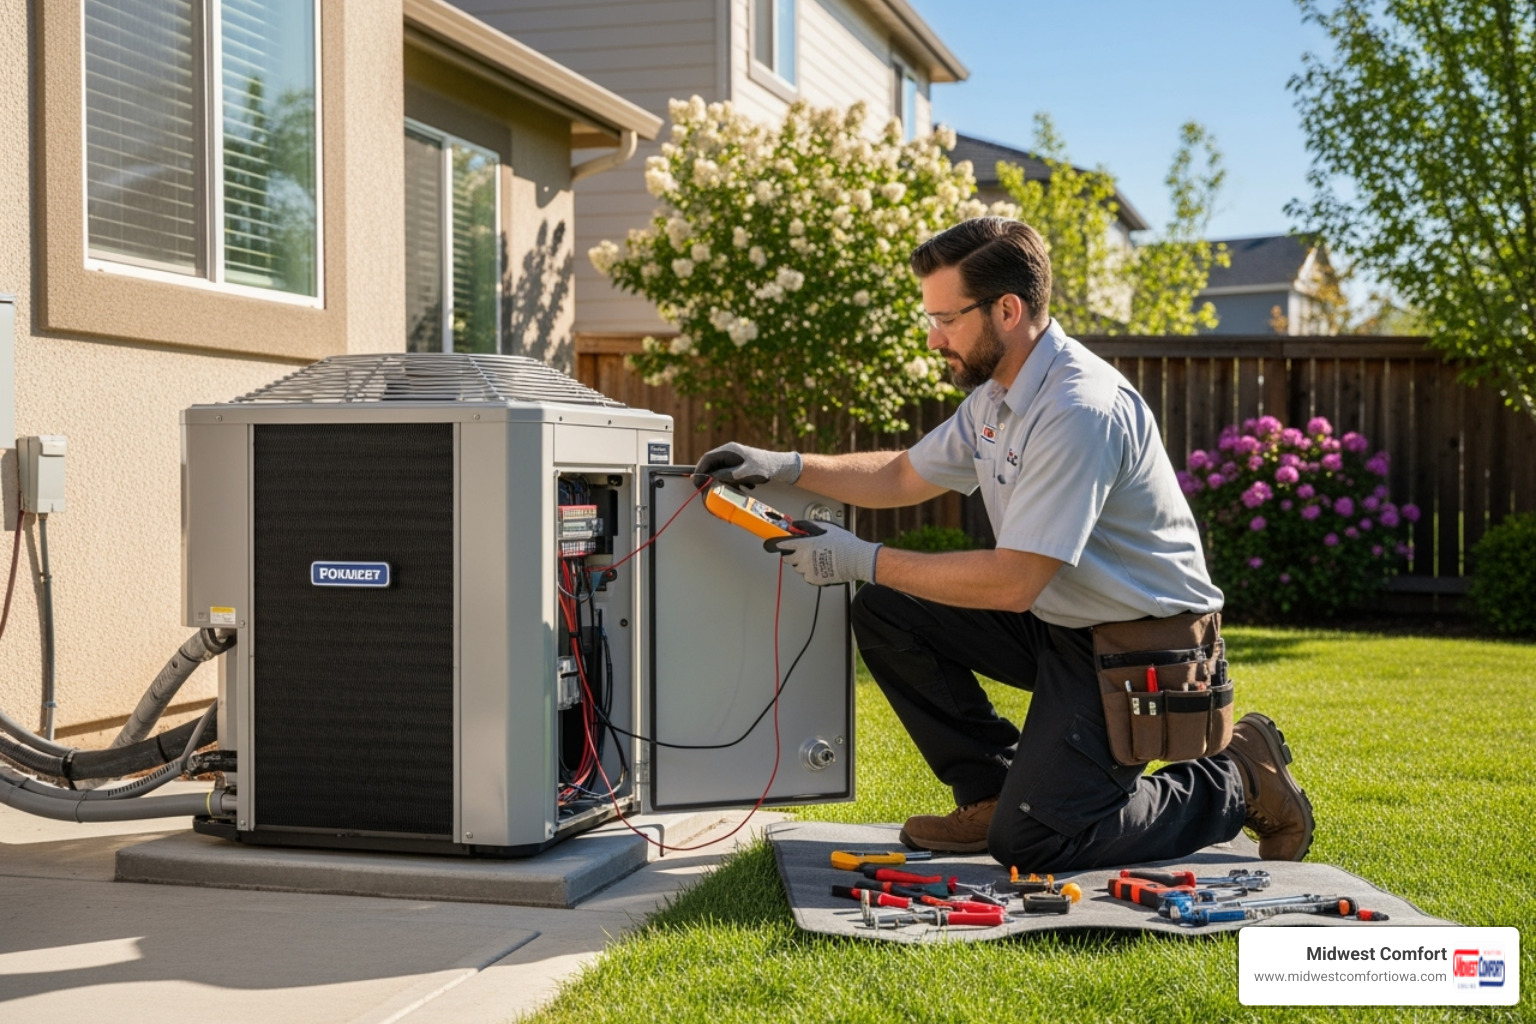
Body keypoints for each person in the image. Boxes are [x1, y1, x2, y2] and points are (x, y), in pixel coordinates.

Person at [693, 217, 1314, 872]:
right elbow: (904, 473)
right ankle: (993, 792)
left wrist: (859, 556)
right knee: (888, 610)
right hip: (1062, 621)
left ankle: (1238, 777)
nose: (934, 338)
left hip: (1142, 643)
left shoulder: (1080, 410)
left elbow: (1015, 581)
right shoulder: (998, 397)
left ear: (1008, 310)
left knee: (1038, 845)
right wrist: (785, 465)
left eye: (947, 319)